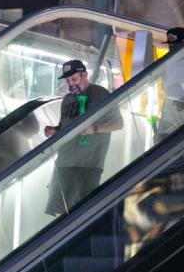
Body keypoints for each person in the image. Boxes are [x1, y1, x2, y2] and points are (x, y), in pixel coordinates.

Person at [43, 59, 124, 217]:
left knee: (82, 213)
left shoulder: (100, 94)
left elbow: (118, 123)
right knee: (59, 211)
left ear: (84, 75)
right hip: (64, 162)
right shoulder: (67, 99)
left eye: (73, 79)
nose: (70, 84)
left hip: (88, 165)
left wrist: (95, 128)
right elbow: (64, 126)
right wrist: (54, 130)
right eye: (68, 80)